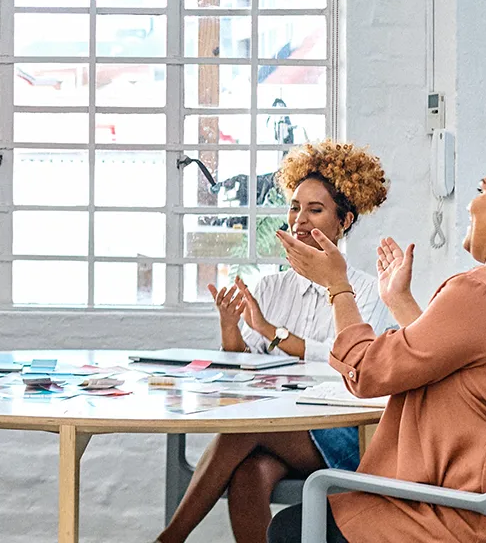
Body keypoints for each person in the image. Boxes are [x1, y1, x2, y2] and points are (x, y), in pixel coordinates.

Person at [263, 149, 486, 543]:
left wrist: (337, 285)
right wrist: (402, 303)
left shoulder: (483, 290)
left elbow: (368, 372)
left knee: (290, 527)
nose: (472, 204)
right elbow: (471, 366)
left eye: (481, 189)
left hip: (458, 516)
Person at [158, 141, 399, 543]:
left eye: (315, 210)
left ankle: (171, 537)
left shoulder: (368, 291)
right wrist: (231, 329)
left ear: (345, 220)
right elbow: (242, 371)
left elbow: (357, 366)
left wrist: (276, 335)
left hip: (345, 434)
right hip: (280, 429)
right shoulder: (270, 287)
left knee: (242, 429)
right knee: (250, 473)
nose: (299, 219)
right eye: (294, 207)